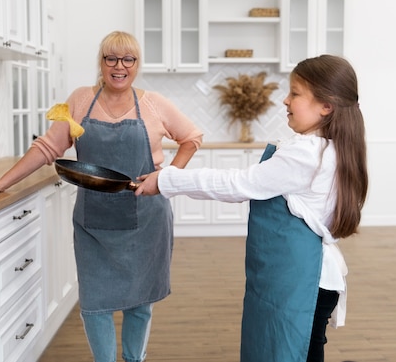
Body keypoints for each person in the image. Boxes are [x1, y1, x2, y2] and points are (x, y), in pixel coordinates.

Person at [0, 31, 203, 362]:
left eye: (128, 59)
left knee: (139, 304)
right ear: (101, 63)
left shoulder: (152, 103)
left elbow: (192, 137)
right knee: (94, 305)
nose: (120, 66)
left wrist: (167, 175)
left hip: (145, 218)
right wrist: (2, 182)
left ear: (137, 64)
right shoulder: (80, 100)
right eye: (111, 58)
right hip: (94, 221)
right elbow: (48, 147)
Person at [135, 54, 368, 362]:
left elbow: (238, 184)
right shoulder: (332, 148)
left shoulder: (307, 154)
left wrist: (166, 179)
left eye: (295, 94)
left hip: (300, 280)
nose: (285, 100)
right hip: (305, 276)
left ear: (326, 106)